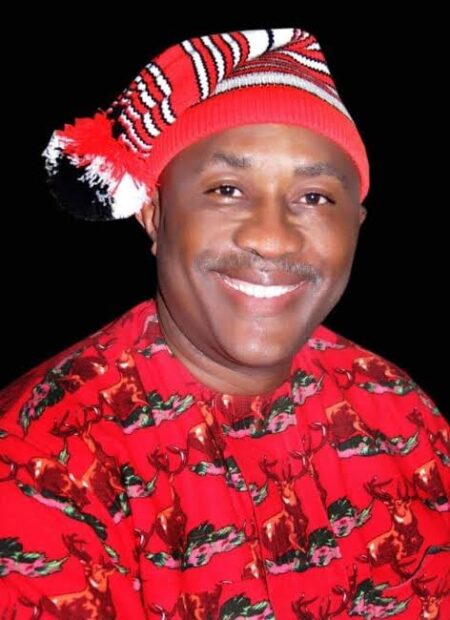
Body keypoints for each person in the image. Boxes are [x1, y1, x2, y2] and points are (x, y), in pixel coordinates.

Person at [0, 26, 448, 619]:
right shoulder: (42, 464)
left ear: (356, 227)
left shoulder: (398, 408)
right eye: (227, 189)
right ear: (154, 214)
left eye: (315, 198)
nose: (272, 238)